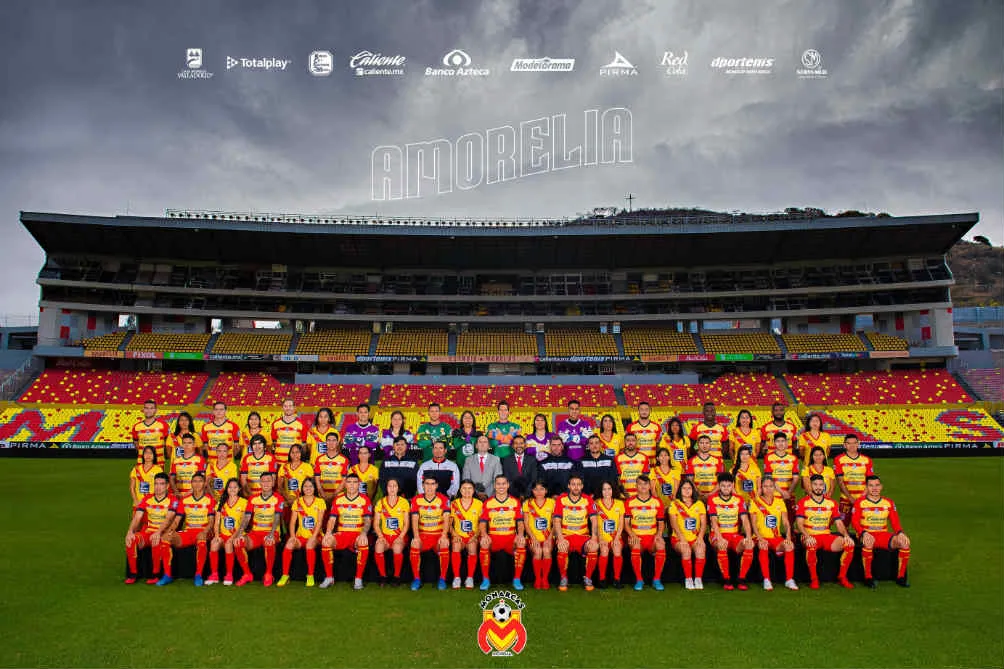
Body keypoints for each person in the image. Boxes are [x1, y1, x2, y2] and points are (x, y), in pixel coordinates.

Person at [796, 474, 856, 589]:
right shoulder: (803, 502)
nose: (818, 487)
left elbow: (839, 523)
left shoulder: (831, 503)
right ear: (810, 486)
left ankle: (842, 577)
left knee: (849, 544)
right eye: (815, 484)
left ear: (824, 486)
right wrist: (807, 536)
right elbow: (799, 523)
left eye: (821, 485)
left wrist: (846, 535)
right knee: (811, 545)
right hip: (809, 535)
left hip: (826, 536)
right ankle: (814, 580)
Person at [851, 475, 911, 588]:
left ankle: (901, 577)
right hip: (866, 534)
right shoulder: (860, 502)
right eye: (871, 485)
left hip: (883, 535)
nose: (874, 488)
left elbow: (895, 522)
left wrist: (900, 533)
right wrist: (863, 533)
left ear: (881, 487)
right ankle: (868, 577)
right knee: (868, 542)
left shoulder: (888, 503)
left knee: (904, 543)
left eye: (877, 485)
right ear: (866, 488)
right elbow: (854, 522)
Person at [320, 472, 372, 590]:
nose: (352, 485)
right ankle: (329, 578)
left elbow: (368, 520)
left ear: (359, 484)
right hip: (342, 534)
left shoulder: (364, 500)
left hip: (357, 534)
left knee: (363, 542)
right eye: (349, 482)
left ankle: (358, 579)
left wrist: (363, 533)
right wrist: (328, 533)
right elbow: (332, 519)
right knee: (326, 542)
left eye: (355, 482)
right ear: (345, 485)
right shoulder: (338, 499)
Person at [162, 472, 215, 586]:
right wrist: (170, 531)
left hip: (203, 530)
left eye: (200, 481)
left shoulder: (209, 500)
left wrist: (204, 531)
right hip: (189, 531)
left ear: (204, 483)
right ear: (191, 483)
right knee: (166, 539)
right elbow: (177, 520)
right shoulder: (185, 500)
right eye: (194, 481)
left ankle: (198, 574)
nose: (197, 484)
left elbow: (211, 522)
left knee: (201, 542)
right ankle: (167, 575)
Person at [124, 472, 178, 584]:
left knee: (155, 540)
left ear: (167, 486)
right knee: (131, 540)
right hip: (149, 531)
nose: (158, 487)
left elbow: (168, 519)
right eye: (156, 484)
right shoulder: (147, 498)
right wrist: (130, 531)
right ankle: (133, 574)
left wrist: (158, 532)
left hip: (163, 532)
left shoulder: (173, 500)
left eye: (161, 484)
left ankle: (155, 574)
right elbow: (137, 518)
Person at [748, 476, 798, 591]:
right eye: (765, 486)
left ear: (774, 488)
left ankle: (789, 579)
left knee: (789, 546)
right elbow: (753, 524)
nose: (768, 489)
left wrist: (788, 537)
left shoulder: (779, 501)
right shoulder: (755, 502)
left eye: (771, 486)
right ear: (761, 488)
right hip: (759, 537)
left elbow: (786, 522)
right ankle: (766, 579)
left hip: (776, 538)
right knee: (763, 545)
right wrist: (760, 538)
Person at [234, 471, 284, 587]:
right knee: (238, 542)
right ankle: (247, 574)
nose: (266, 483)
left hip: (272, 532)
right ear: (260, 483)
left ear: (272, 483)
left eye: (268, 480)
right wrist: (240, 534)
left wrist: (271, 534)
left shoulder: (278, 498)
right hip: (255, 533)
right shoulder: (253, 498)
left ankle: (268, 574)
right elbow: (246, 518)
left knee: (269, 541)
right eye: (263, 481)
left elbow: (277, 518)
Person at [478, 475, 527, 591]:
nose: (501, 486)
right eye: (498, 484)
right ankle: (485, 579)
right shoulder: (488, 503)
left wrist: (520, 535)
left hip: (510, 537)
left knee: (521, 543)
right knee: (483, 543)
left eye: (503, 484)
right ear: (494, 486)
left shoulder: (515, 502)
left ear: (508, 485)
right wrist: (484, 535)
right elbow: (482, 523)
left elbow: (520, 522)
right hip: (494, 537)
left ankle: (517, 579)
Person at [552, 474, 600, 591]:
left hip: (582, 536)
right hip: (566, 535)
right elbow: (556, 521)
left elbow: (594, 520)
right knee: (562, 547)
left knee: (594, 546)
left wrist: (594, 538)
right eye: (573, 484)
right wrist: (560, 538)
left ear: (582, 486)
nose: (576, 487)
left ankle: (588, 578)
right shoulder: (561, 499)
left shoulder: (587, 499)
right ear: (569, 486)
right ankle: (564, 578)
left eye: (578, 484)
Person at [707, 472, 754, 591]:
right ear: (719, 486)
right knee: (722, 545)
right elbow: (713, 521)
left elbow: (745, 520)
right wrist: (720, 538)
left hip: (734, 535)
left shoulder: (739, 499)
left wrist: (748, 536)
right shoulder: (713, 499)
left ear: (733, 485)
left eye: (728, 486)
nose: (726, 488)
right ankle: (726, 579)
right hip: (717, 534)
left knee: (749, 544)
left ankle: (741, 579)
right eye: (723, 486)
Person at [277, 477, 326, 587]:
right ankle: (285, 575)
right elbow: (292, 522)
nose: (308, 488)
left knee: (309, 545)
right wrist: (293, 536)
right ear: (302, 488)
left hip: (316, 536)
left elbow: (319, 522)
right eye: (305, 486)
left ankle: (310, 575)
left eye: (310, 486)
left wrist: (314, 536)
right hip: (301, 537)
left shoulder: (320, 502)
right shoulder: (297, 502)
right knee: (289, 544)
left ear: (314, 488)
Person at [409, 475, 452, 590]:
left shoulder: (444, 499)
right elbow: (414, 519)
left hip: (438, 534)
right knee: (414, 544)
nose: (429, 487)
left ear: (436, 486)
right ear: (422, 485)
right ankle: (417, 579)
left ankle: (442, 579)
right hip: (423, 535)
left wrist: (444, 536)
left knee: (444, 544)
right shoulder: (416, 499)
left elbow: (447, 519)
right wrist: (416, 537)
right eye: (427, 484)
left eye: (432, 484)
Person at [626, 474, 668, 591]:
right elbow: (626, 524)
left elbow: (661, 522)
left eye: (645, 484)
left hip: (652, 538)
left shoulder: (657, 502)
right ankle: (639, 580)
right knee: (635, 545)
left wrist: (659, 535)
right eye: (640, 484)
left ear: (650, 486)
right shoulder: (630, 501)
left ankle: (656, 579)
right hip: (637, 536)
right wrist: (632, 535)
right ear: (636, 486)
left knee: (661, 544)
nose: (643, 486)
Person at [205, 478, 246, 586]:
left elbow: (242, 524)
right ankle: (214, 574)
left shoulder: (243, 502)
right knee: (214, 543)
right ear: (227, 489)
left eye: (235, 487)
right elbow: (217, 522)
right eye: (230, 487)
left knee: (228, 545)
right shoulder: (221, 502)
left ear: (239, 489)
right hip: (223, 534)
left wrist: (233, 538)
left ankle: (229, 574)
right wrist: (217, 535)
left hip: (236, 535)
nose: (232, 489)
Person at [669, 479, 707, 590]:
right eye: (684, 488)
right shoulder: (674, 504)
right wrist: (682, 539)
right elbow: (674, 524)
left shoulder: (699, 504)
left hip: (695, 538)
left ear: (693, 490)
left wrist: (700, 538)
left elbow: (704, 524)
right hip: (678, 538)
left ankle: (698, 578)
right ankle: (688, 578)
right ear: (680, 490)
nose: (686, 491)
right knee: (686, 550)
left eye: (689, 488)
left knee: (700, 549)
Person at [373, 478, 410, 586]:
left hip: (399, 535)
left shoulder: (404, 502)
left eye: (394, 486)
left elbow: (406, 523)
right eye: (390, 486)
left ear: (398, 488)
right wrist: (380, 536)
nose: (392, 488)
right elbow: (375, 523)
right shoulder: (380, 502)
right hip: (385, 535)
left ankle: (396, 576)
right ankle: (383, 576)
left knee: (397, 547)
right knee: (378, 547)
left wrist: (400, 537)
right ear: (386, 488)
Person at [450, 479, 484, 589]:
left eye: (470, 488)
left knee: (473, 547)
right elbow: (449, 524)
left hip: (472, 536)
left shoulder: (479, 504)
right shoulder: (454, 504)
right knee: (455, 545)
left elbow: (481, 524)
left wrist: (475, 536)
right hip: (458, 536)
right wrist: (455, 535)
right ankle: (456, 577)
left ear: (474, 490)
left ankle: (470, 578)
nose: (467, 491)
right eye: (464, 488)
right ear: (460, 490)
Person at [522, 480, 555, 590]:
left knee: (546, 550)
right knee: (538, 551)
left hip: (548, 537)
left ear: (546, 490)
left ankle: (544, 578)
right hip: (532, 537)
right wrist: (533, 538)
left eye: (542, 489)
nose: (539, 492)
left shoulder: (552, 502)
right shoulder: (528, 503)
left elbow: (556, 523)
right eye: (536, 489)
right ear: (532, 491)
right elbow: (526, 524)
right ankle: (537, 579)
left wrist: (550, 538)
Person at [834, 433, 874, 519]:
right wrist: (850, 498)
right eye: (849, 443)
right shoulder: (839, 459)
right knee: (843, 525)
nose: (852, 445)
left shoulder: (867, 460)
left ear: (858, 444)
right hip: (845, 499)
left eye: (854, 443)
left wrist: (862, 497)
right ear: (844, 445)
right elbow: (840, 482)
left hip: (863, 499)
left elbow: (870, 481)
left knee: (863, 525)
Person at [594, 480, 625, 589]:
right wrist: (601, 539)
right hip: (602, 537)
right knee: (604, 550)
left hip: (616, 536)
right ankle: (602, 579)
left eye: (609, 489)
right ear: (601, 491)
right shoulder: (596, 504)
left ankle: (617, 579)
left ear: (613, 490)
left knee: (617, 549)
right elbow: (596, 525)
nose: (607, 492)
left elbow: (621, 524)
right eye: (604, 489)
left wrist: (616, 539)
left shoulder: (619, 503)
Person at [763, 433, 799, 516]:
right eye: (778, 441)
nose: (780, 443)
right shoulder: (768, 457)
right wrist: (782, 492)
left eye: (783, 441)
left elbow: (796, 478)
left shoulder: (793, 458)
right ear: (774, 443)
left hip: (790, 493)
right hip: (774, 494)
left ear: (786, 443)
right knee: (774, 520)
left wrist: (789, 492)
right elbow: (768, 478)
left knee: (791, 520)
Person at [270, 398, 308, 467]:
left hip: (295, 463)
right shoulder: (275, 424)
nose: (288, 408)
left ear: (294, 408)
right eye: (285, 406)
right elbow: (273, 444)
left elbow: (304, 446)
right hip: (279, 462)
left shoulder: (302, 424)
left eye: (290, 406)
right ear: (282, 408)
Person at [131, 399, 170, 465]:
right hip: (142, 463)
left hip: (158, 462)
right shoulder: (136, 426)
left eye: (151, 408)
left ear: (156, 410)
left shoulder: (163, 425)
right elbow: (136, 444)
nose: (148, 410)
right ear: (143, 410)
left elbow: (168, 443)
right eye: (146, 408)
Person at [578, 434, 618, 498]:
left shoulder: (609, 460)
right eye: (591, 443)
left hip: (606, 496)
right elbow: (580, 481)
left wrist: (608, 494)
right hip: (588, 497)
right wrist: (587, 495)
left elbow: (614, 480)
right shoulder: (581, 461)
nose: (594, 445)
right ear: (588, 446)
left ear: (600, 444)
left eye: (596, 443)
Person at [313, 432, 349, 502]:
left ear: (338, 442)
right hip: (322, 496)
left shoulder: (344, 460)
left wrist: (334, 495)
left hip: (338, 497)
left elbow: (344, 480)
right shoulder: (319, 459)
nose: (331, 443)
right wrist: (322, 493)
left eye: (334, 440)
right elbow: (317, 478)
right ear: (326, 442)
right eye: (329, 440)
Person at [685, 435, 723, 500]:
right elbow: (690, 480)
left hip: (714, 496)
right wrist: (698, 492)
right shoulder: (691, 461)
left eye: (707, 443)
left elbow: (721, 481)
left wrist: (710, 494)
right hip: (697, 496)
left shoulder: (718, 461)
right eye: (702, 443)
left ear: (710, 445)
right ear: (698, 445)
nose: (704, 445)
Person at [501, 435, 538, 500]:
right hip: (512, 496)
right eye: (516, 443)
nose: (519, 446)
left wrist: (526, 494)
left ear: (525, 445)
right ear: (512, 446)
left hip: (529, 496)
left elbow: (533, 479)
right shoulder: (506, 460)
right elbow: (507, 479)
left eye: (521, 443)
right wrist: (517, 494)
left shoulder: (532, 460)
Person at [240, 434, 277, 498]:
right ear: (251, 446)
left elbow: (273, 481)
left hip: (266, 495)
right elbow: (243, 479)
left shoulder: (271, 458)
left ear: (264, 446)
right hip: (249, 494)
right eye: (254, 444)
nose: (257, 446)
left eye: (260, 443)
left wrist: (263, 497)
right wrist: (250, 494)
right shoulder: (246, 458)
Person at [170, 434, 206, 499]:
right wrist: (176, 492)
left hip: (193, 495)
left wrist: (187, 494)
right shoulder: (176, 460)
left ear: (194, 445)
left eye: (189, 443)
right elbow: (171, 479)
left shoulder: (200, 460)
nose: (186, 445)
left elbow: (201, 480)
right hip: (178, 495)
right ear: (182, 445)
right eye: (184, 443)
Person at [278, 443, 313, 508]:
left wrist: (298, 499)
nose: (295, 454)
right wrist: (288, 498)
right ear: (289, 454)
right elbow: (280, 487)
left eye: (297, 452)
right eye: (292, 452)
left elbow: (310, 487)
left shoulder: (307, 467)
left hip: (302, 499)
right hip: (287, 499)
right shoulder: (284, 467)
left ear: (301, 453)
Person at [615, 433, 650, 498]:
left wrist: (641, 493)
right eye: (628, 440)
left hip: (640, 496)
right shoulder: (618, 458)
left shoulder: (644, 457)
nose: (630, 443)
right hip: (624, 497)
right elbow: (617, 479)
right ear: (624, 442)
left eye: (633, 440)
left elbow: (646, 478)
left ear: (636, 442)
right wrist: (624, 492)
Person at [651, 447, 682, 512]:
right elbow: (653, 490)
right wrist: (660, 504)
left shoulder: (676, 471)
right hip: (658, 503)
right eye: (661, 455)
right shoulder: (653, 471)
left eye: (665, 455)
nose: (663, 457)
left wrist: (671, 504)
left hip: (672, 503)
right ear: (657, 458)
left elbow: (676, 489)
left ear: (669, 457)